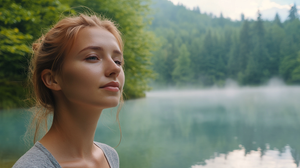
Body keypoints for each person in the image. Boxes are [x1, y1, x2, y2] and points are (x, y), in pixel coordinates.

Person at [13, 13, 124, 168]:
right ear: (52, 79)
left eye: (118, 60)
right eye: (93, 57)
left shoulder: (109, 156)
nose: (115, 69)